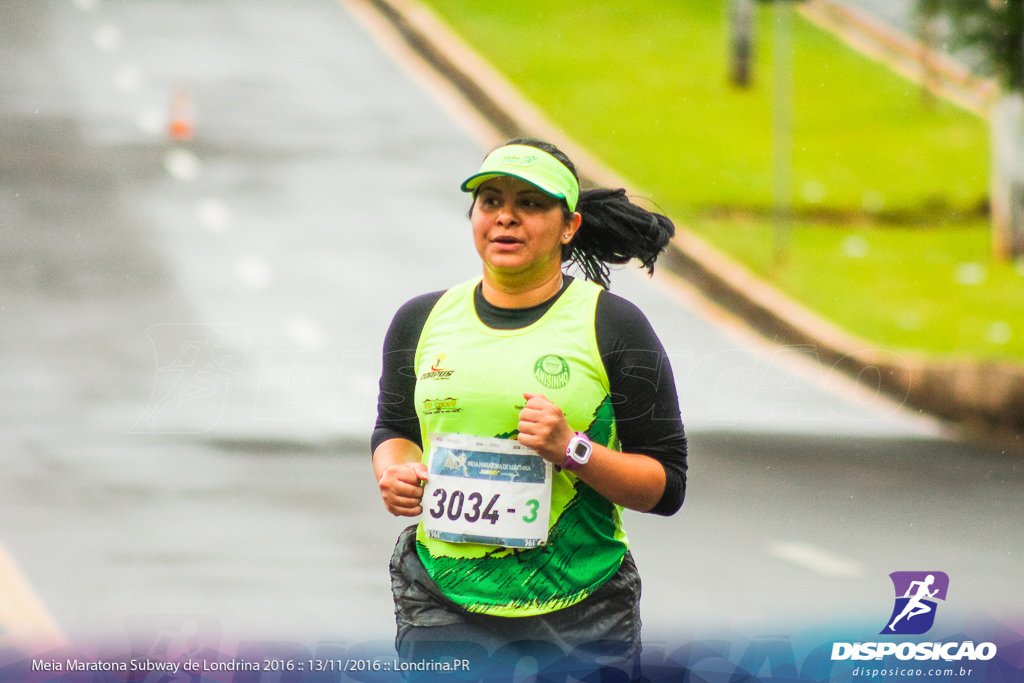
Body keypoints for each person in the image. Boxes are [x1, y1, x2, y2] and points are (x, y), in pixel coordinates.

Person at [371, 138, 688, 680]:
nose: (506, 219)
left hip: (580, 604)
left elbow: (667, 486)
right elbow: (395, 429)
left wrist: (573, 450)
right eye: (490, 201)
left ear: (568, 226)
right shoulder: (421, 321)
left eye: (531, 204)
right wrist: (395, 470)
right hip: (444, 599)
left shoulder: (612, 326)